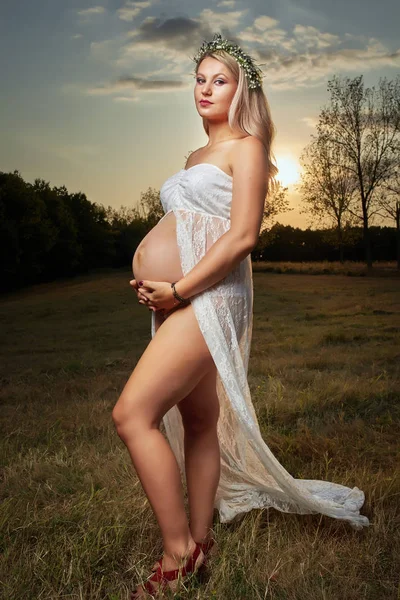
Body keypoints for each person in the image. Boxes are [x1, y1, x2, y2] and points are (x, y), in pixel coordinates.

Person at [112, 33, 369, 599]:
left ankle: (176, 554)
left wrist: (177, 287)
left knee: (132, 414)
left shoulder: (247, 146)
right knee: (201, 422)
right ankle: (199, 542)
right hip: (178, 299)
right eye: (199, 79)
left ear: (241, 90)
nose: (205, 89)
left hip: (206, 297)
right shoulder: (194, 157)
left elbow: (243, 236)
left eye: (219, 80)